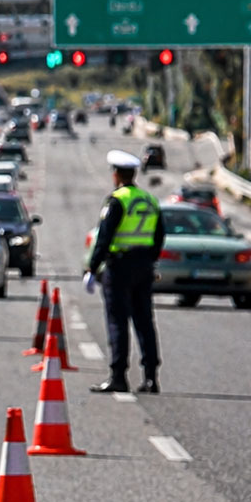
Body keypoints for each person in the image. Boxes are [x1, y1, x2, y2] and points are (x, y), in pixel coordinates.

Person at [86, 149, 164, 394]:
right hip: (143, 267)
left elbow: (104, 237)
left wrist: (92, 267)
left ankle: (118, 375)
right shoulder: (150, 200)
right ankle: (151, 377)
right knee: (145, 322)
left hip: (119, 267)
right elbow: (160, 236)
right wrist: (149, 260)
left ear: (117, 175)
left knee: (118, 321)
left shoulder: (117, 201)